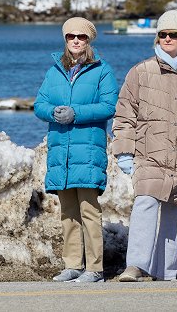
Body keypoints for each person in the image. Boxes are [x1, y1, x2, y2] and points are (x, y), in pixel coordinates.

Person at [112, 10, 177, 282]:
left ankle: (166, 272)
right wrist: (124, 150)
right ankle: (135, 266)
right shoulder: (141, 72)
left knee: (175, 214)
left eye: (173, 34)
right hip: (148, 154)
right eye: (162, 34)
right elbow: (124, 113)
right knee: (145, 203)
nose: (166, 38)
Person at [34, 16, 118, 283]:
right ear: (65, 40)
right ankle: (72, 264)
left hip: (89, 151)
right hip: (62, 152)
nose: (76, 41)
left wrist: (76, 113)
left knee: (89, 210)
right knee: (68, 211)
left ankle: (94, 268)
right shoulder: (54, 71)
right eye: (71, 37)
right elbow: (39, 104)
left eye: (81, 37)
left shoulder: (102, 70)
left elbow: (109, 106)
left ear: (89, 40)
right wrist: (53, 112)